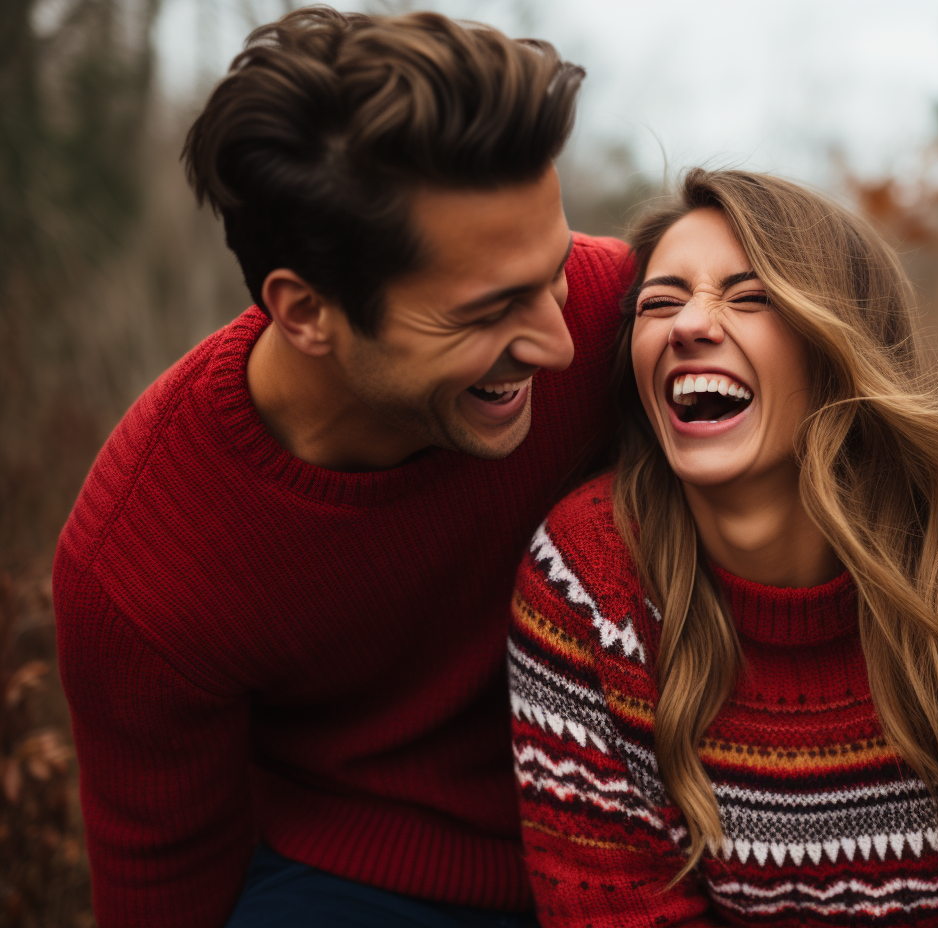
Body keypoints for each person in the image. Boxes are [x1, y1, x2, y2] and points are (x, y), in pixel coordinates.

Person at [53, 9, 629, 927]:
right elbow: (165, 883)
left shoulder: (632, 324)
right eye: (487, 313)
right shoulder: (142, 565)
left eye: (555, 272)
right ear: (308, 313)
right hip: (371, 887)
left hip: (658, 846)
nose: (560, 343)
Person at [510, 169, 938, 926]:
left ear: (839, 348)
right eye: (659, 303)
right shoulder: (586, 581)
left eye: (750, 296)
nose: (688, 325)